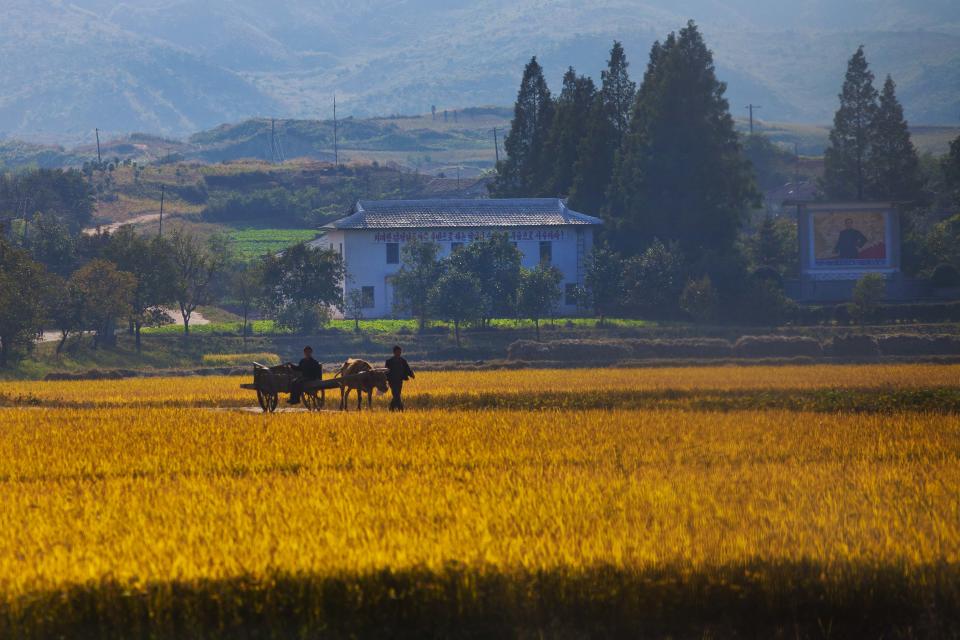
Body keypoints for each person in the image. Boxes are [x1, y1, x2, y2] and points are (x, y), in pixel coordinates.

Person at [385, 345, 415, 412]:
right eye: (397, 352)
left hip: (399, 381)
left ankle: (391, 409)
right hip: (392, 381)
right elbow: (386, 371)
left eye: (400, 352)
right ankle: (401, 409)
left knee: (396, 395)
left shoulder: (403, 361)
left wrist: (411, 375)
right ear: (394, 352)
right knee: (396, 395)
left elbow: (407, 369)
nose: (399, 353)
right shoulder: (389, 361)